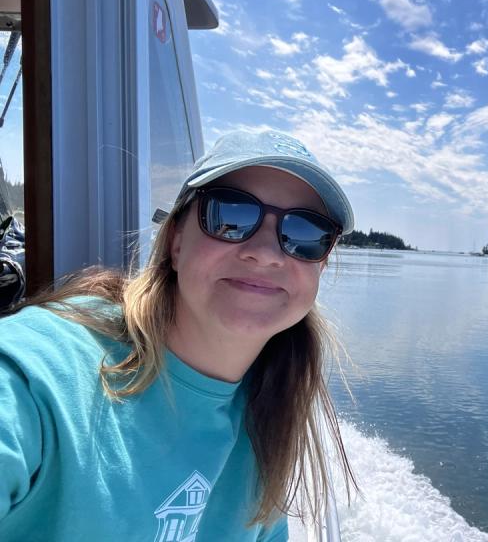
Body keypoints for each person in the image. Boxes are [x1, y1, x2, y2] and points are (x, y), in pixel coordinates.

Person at [0, 130, 357, 541]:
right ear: (175, 240)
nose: (266, 252)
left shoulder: (270, 420)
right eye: (230, 213)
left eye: (306, 233)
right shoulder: (44, 372)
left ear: (321, 265)